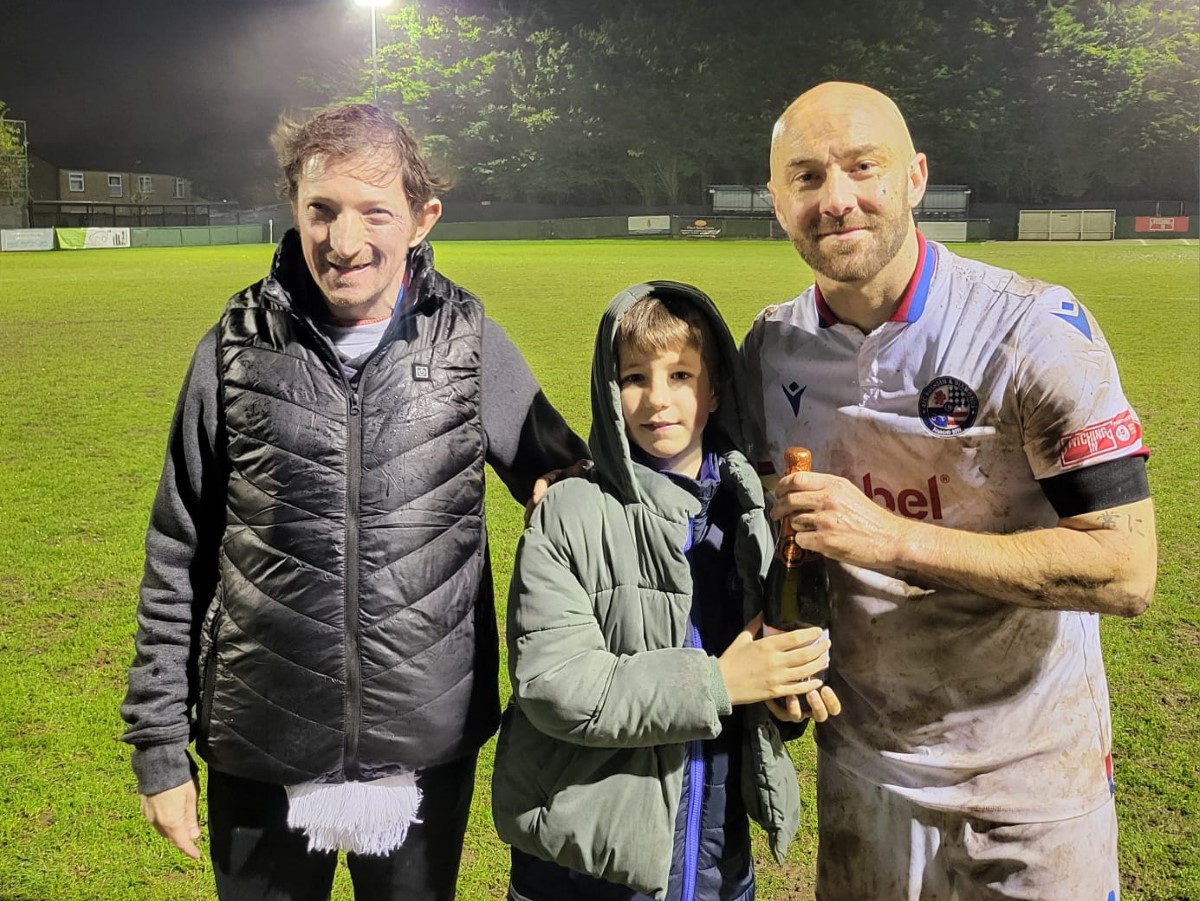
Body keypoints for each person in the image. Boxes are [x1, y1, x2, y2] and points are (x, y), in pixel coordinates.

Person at [119, 102, 588, 901]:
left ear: (421, 217)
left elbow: (573, 488)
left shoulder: (471, 343)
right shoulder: (234, 346)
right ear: (295, 209)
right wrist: (160, 745)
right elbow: (177, 551)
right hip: (259, 746)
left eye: (375, 211)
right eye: (321, 210)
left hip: (422, 752)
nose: (344, 241)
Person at [741, 81, 1157, 901]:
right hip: (864, 768)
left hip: (1032, 772)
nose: (837, 199)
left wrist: (893, 538)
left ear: (915, 178)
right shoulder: (771, 346)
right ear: (777, 200)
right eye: (806, 177)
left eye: (864, 167)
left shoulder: (1030, 328)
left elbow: (1126, 567)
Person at [492, 281, 841, 901]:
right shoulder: (570, 511)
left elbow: (752, 677)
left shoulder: (751, 518)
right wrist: (720, 683)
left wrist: (780, 699)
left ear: (714, 390)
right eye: (633, 377)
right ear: (608, 389)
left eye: (681, 375)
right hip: (586, 873)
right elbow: (556, 686)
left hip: (714, 863)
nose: (658, 399)